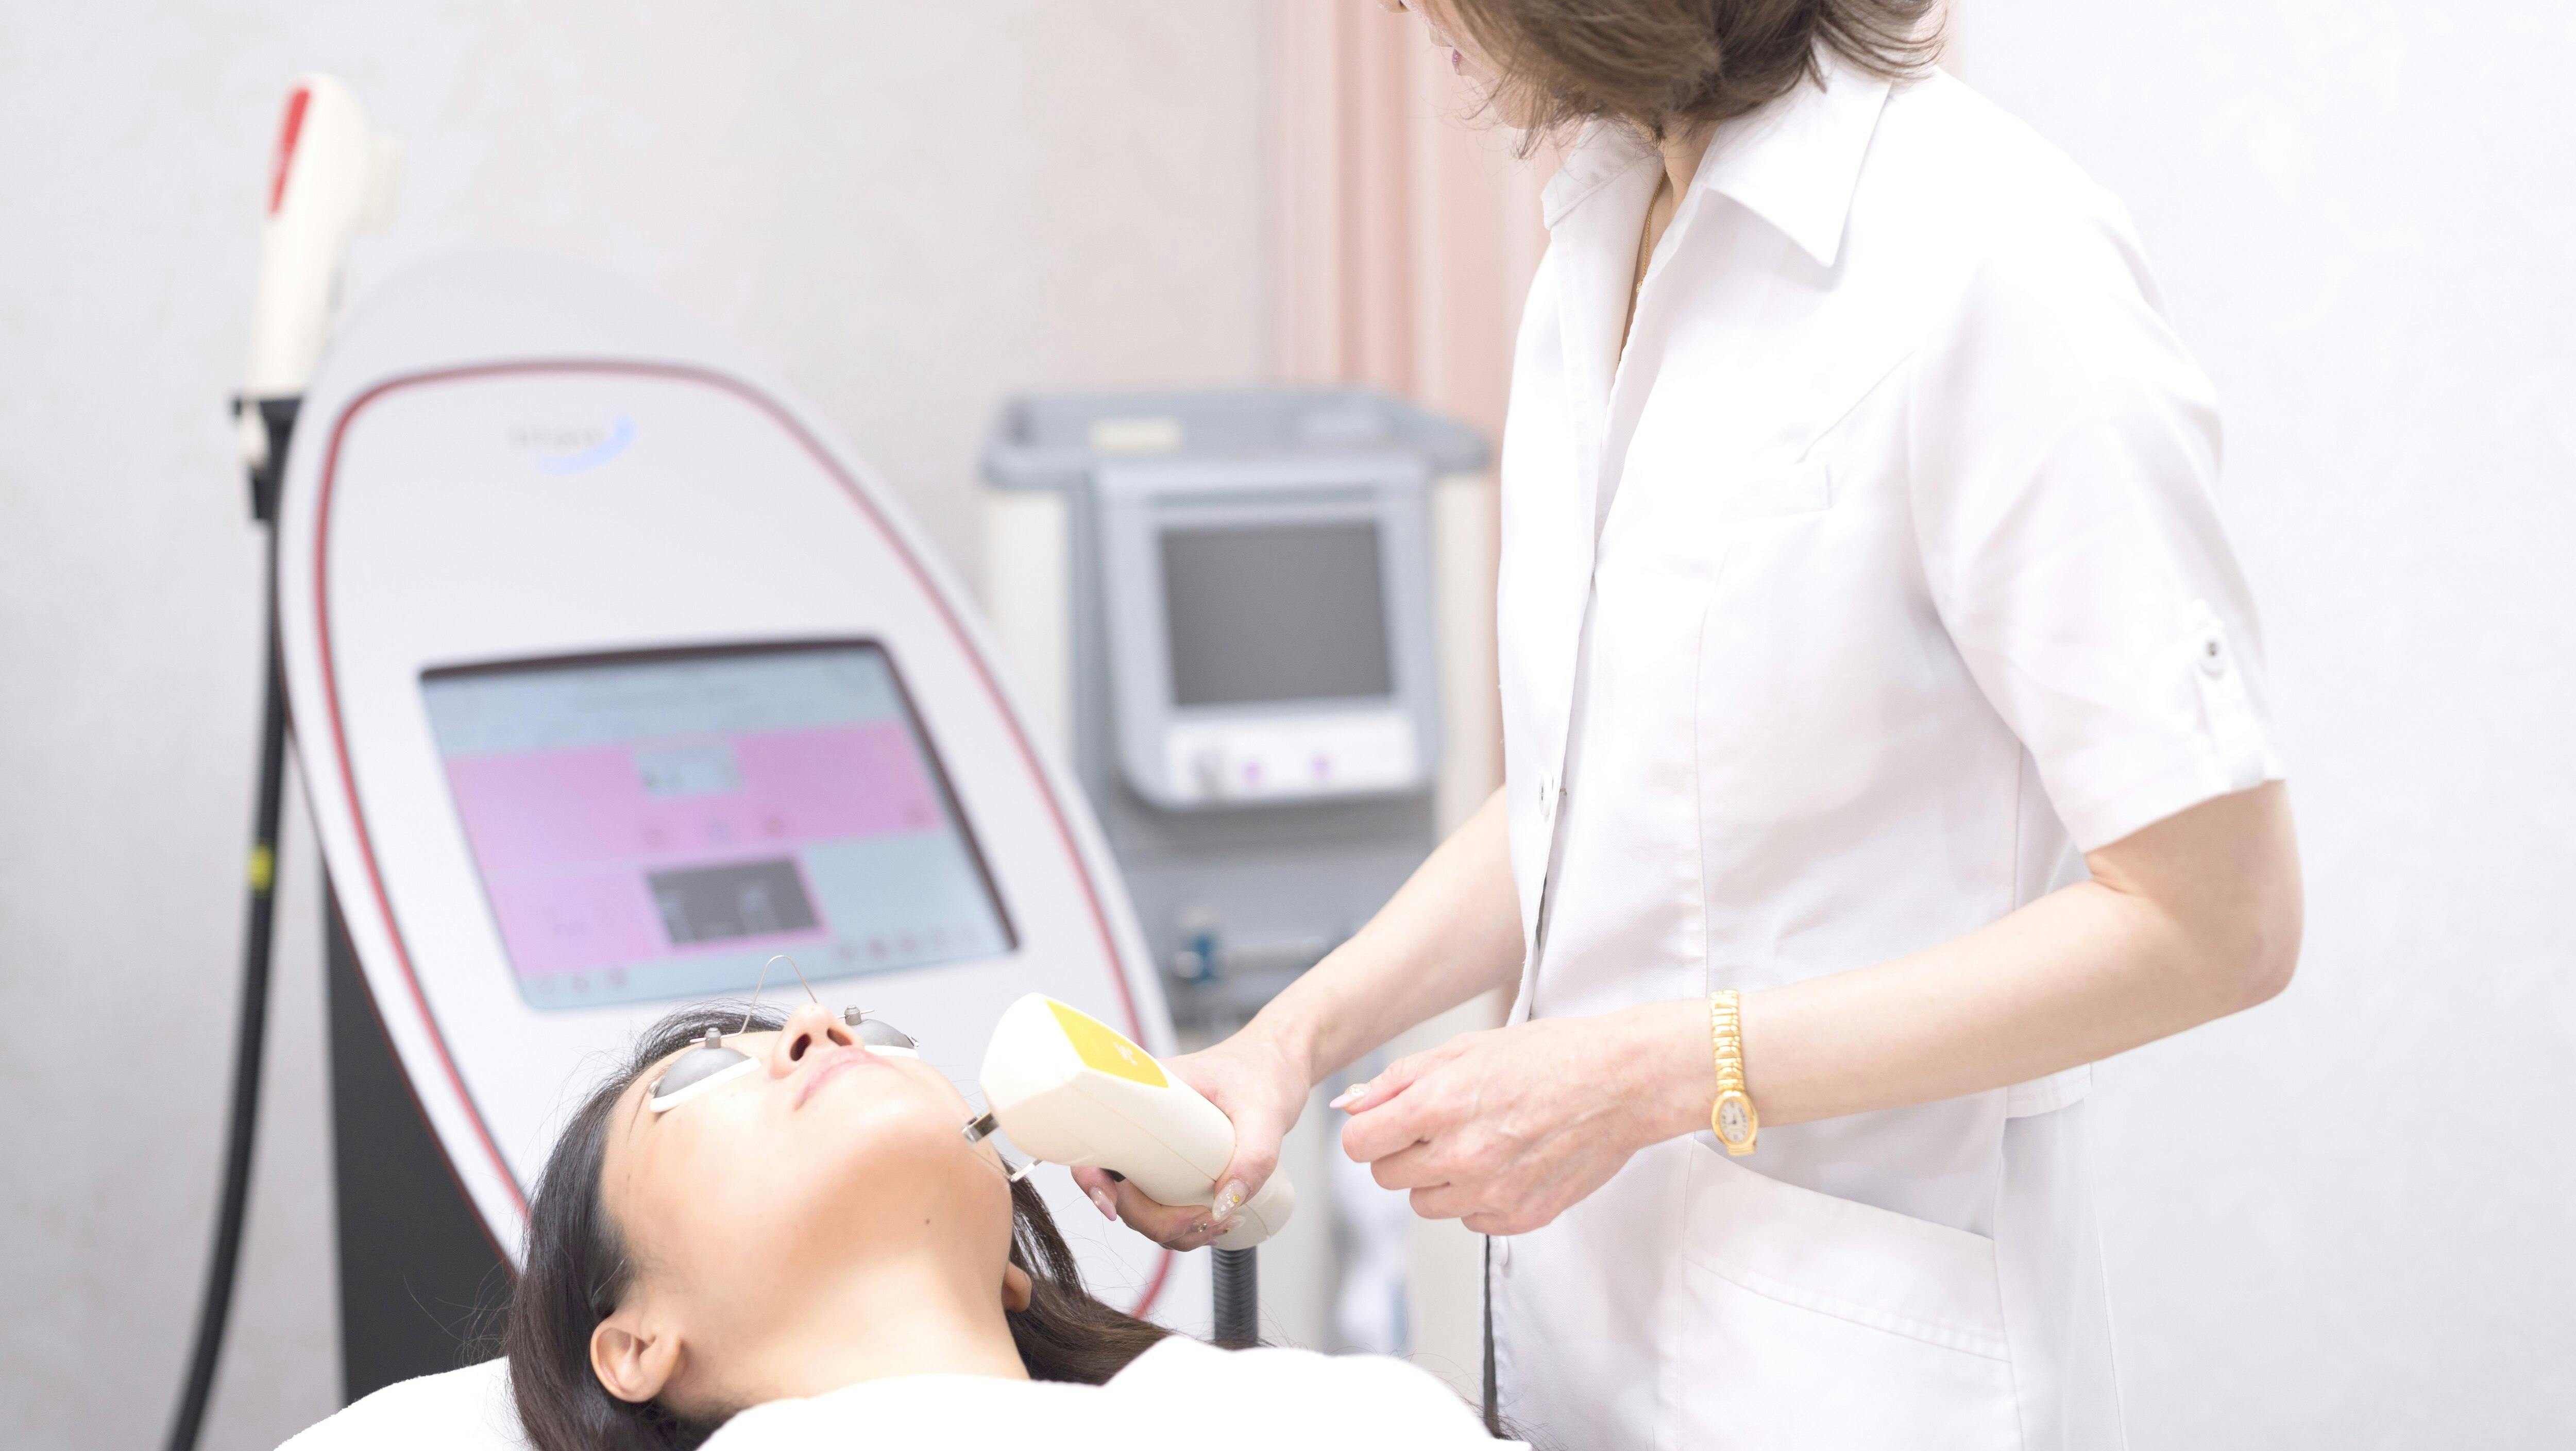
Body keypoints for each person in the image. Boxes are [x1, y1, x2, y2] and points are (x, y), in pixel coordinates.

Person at [1078, 2, 2304, 1447]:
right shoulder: (1606, 228)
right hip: (1584, 1345)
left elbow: (2217, 922)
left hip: (1851, 1368)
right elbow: (1590, 787)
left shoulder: (1993, 257)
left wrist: (1651, 1075)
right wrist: (1287, 1044)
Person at [502, 1003, 1513, 1450]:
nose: (823, 1030)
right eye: (696, 1076)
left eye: (874, 1028)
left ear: (1010, 1275)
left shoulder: (1336, 1415)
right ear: (637, 1346)